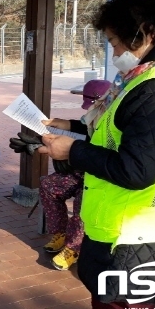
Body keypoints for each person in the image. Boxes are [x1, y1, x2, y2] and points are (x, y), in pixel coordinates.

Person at [38, 0, 155, 309]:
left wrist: (72, 151)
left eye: (115, 41)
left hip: (134, 238)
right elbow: (132, 130)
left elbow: (137, 169)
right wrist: (73, 127)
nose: (114, 52)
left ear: (146, 33)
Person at [39, 79, 111, 271]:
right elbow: (80, 129)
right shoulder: (92, 115)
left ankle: (73, 248)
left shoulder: (113, 121)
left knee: (83, 202)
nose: (90, 108)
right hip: (81, 170)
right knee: (48, 184)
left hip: (100, 176)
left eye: (94, 103)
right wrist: (53, 127)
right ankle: (60, 233)